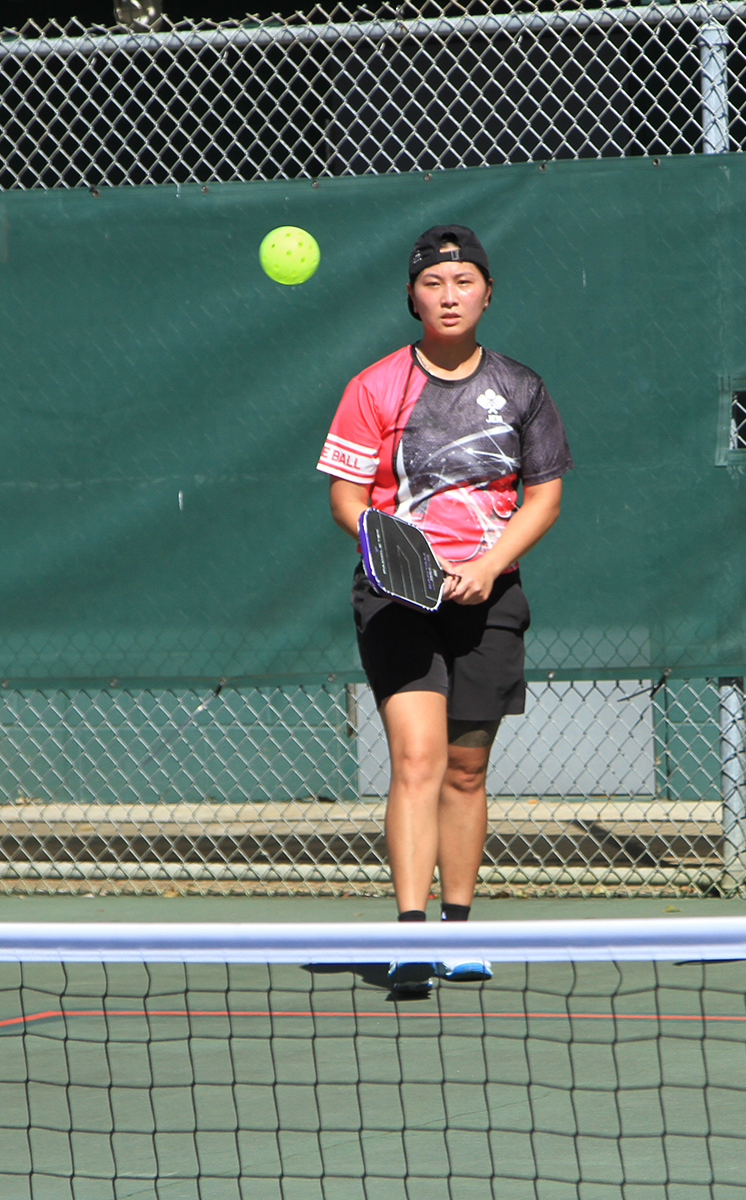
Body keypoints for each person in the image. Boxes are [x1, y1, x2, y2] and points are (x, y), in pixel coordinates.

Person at [317, 224, 572, 996]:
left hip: (489, 596)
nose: (449, 295)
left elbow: (545, 494)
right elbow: (346, 498)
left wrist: (486, 567)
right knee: (418, 761)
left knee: (466, 770)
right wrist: (404, 558)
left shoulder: (521, 387)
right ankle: (410, 936)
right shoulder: (375, 387)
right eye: (434, 284)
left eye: (464, 282)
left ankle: (463, 932)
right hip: (398, 601)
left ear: (487, 293)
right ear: (412, 297)